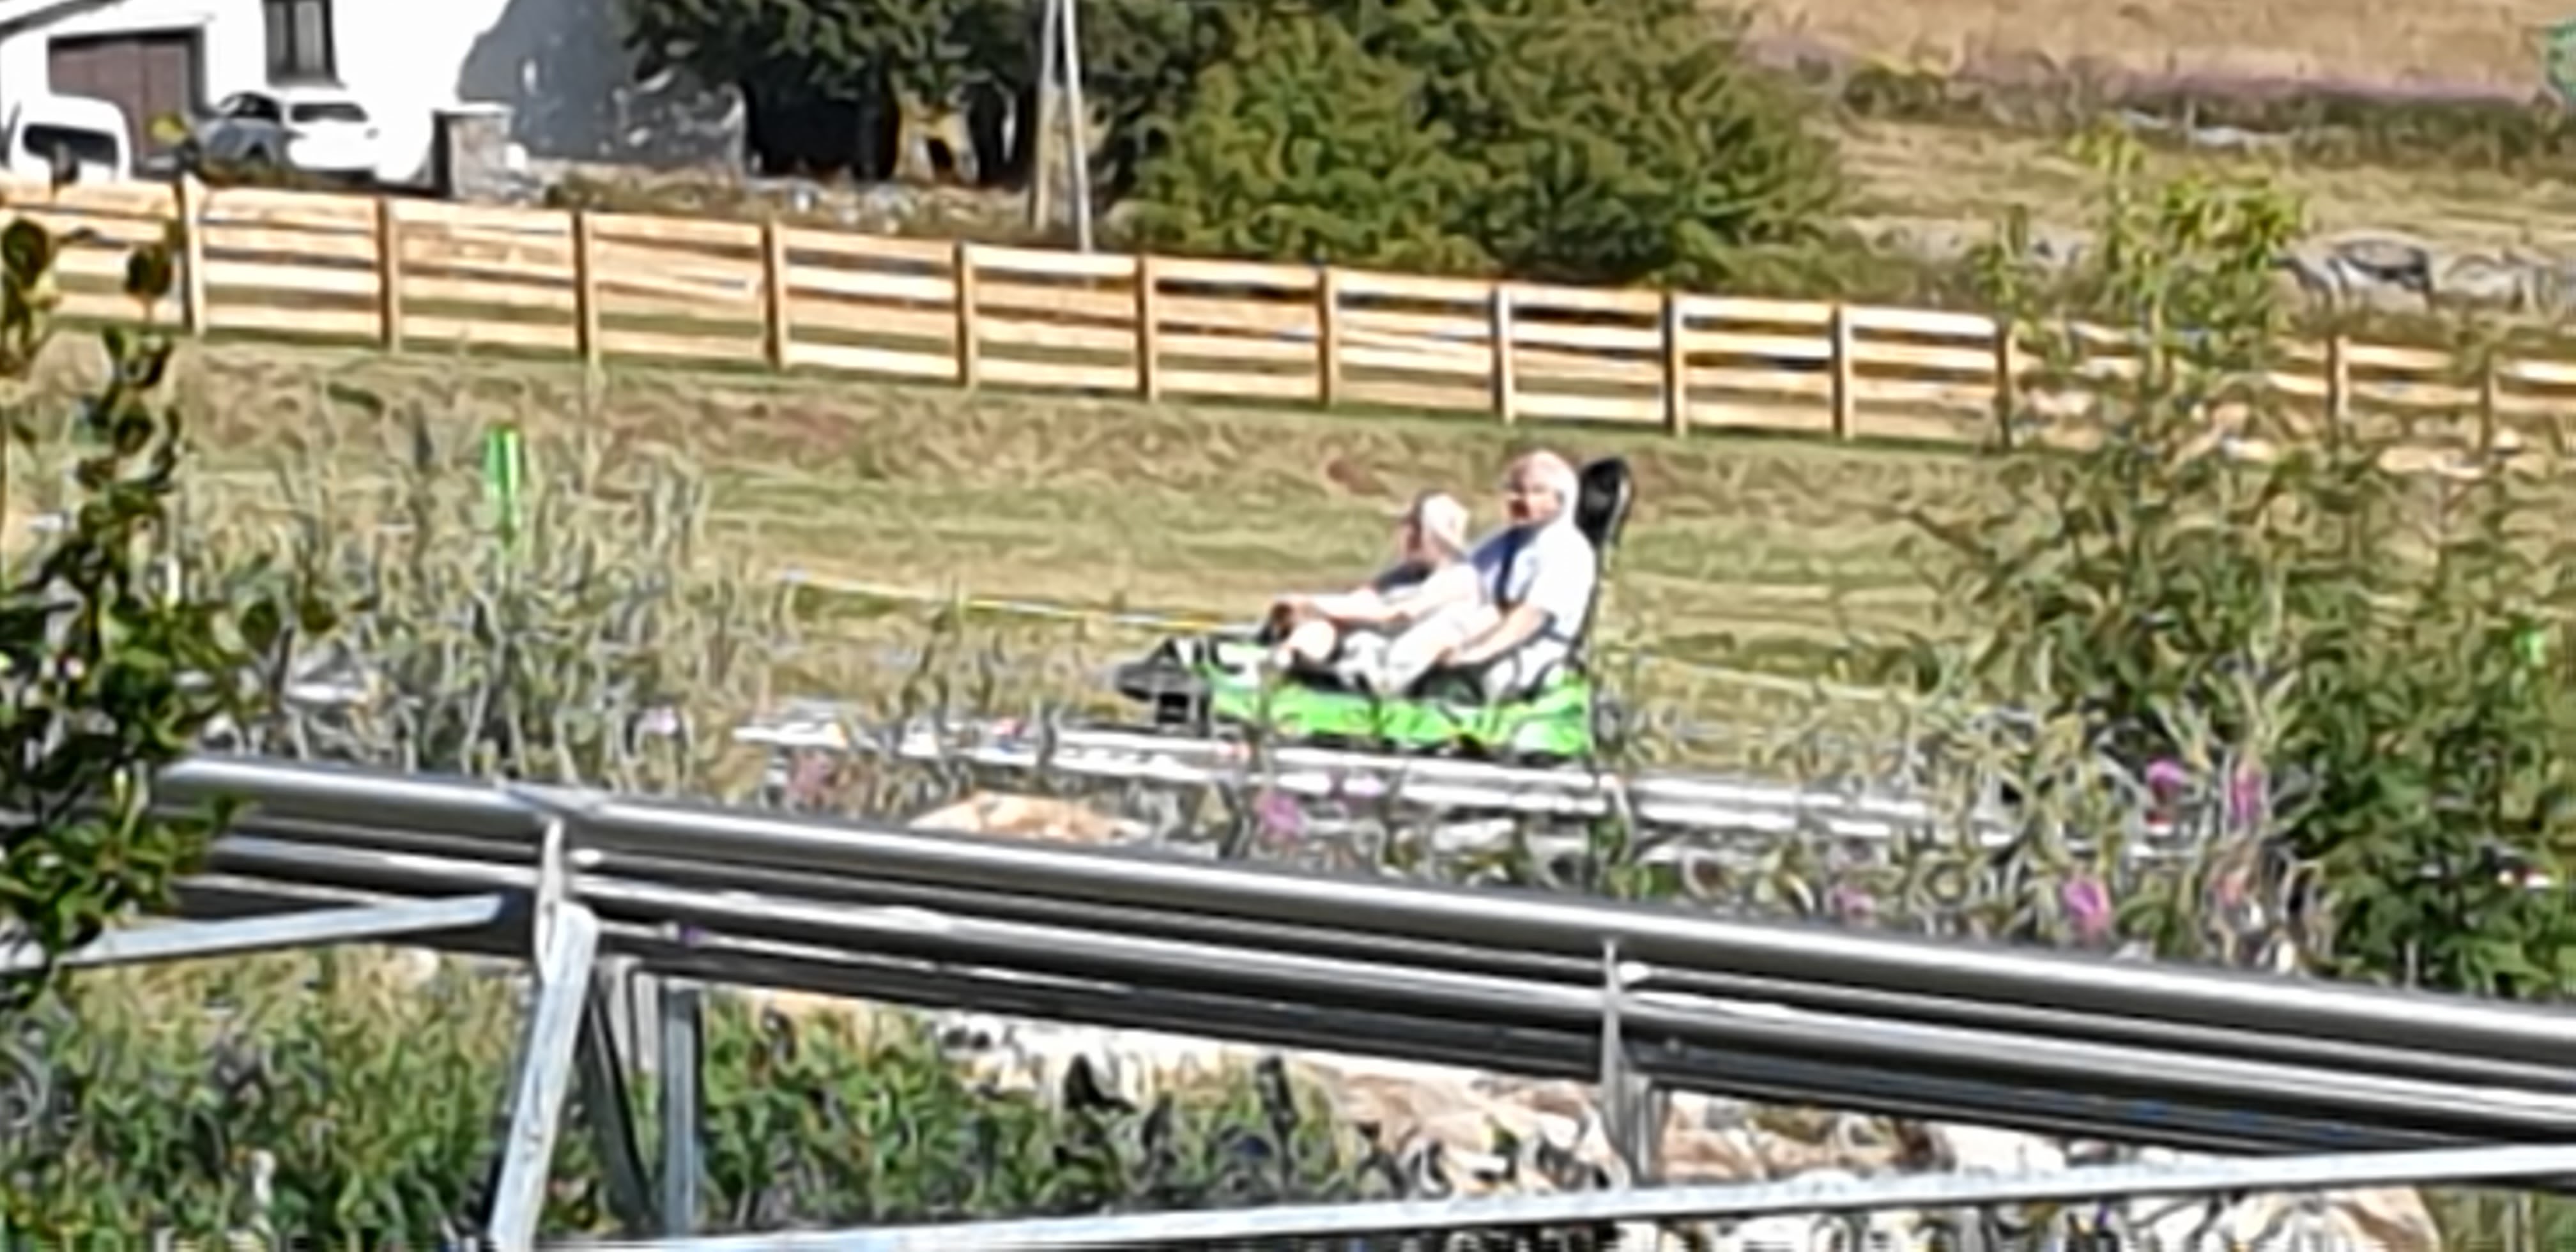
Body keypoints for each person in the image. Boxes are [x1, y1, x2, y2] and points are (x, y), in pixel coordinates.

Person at [1409, 448, 1598, 700]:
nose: (1523, 500)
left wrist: (1476, 655)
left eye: (1537, 492)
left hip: (1534, 653)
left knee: (1454, 680)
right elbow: (1463, 579)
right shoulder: (1507, 541)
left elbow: (1528, 619)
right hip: (1485, 632)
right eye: (1517, 491)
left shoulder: (1569, 552)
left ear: (1560, 500)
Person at [1268, 491, 1482, 685]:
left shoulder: (1460, 578)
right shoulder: (1407, 572)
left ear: (1436, 537)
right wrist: (1307, 608)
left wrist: (1315, 604)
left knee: (1350, 633)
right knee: (1321, 626)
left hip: (1402, 666)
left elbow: (1398, 615)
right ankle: (1283, 663)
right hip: (1379, 646)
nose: (1406, 534)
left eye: (1416, 528)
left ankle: (1291, 671)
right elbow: (1364, 597)